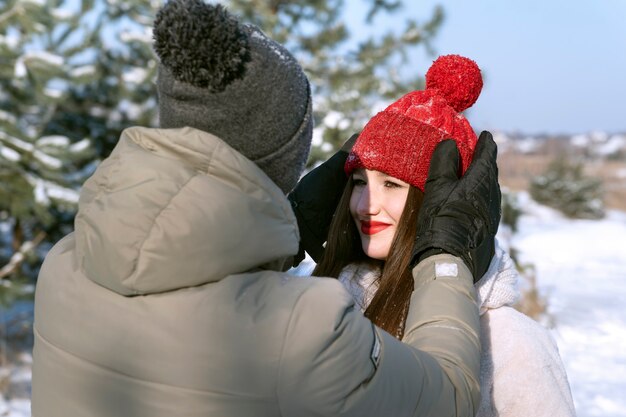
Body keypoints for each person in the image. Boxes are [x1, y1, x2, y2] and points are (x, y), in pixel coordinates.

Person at [30, 2, 496, 416]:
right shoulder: (301, 329)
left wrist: (279, 232)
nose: (362, 201)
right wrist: (446, 255)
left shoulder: (66, 264)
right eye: (359, 181)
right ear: (281, 155)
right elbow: (449, 398)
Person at [302, 55, 576, 417]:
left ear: (438, 201)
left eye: (391, 185)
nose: (366, 204)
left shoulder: (509, 343)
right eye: (359, 183)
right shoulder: (332, 302)